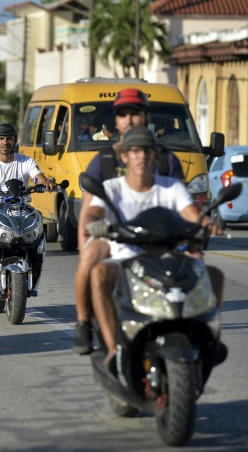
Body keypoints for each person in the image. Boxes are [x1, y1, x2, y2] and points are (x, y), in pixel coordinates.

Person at [83, 127, 225, 370]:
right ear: (125, 156)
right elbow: (94, 211)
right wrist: (93, 223)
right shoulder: (112, 188)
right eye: (135, 151)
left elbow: (191, 212)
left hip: (168, 258)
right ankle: (112, 351)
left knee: (213, 274)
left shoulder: (171, 187)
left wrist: (206, 222)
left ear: (155, 156)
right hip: (127, 260)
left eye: (147, 151)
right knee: (98, 275)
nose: (142, 156)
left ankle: (207, 338)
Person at [72, 88, 184, 354]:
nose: (129, 119)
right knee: (89, 261)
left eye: (135, 113)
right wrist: (86, 241)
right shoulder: (104, 160)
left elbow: (182, 206)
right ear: (116, 121)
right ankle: (83, 323)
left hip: (157, 238)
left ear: (146, 117)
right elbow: (89, 210)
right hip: (114, 236)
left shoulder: (166, 159)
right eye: (123, 114)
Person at [0, 123, 57, 287]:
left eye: (9, 138)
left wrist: (47, 182)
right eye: (1, 138)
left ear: (15, 141)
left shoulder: (26, 161)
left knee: (36, 215)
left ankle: (35, 254)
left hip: (19, 207)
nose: (5, 142)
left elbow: (38, 177)